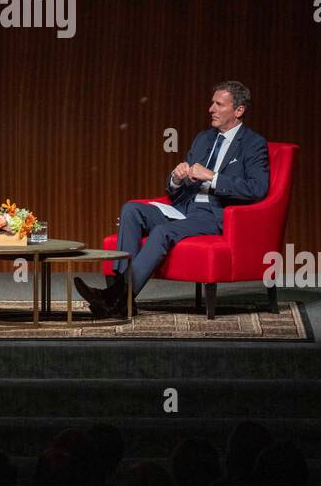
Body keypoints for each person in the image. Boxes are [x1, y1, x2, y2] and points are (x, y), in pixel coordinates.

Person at [75, 81, 269, 318]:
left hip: (215, 215)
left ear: (238, 110)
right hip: (184, 208)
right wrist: (177, 179)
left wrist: (213, 177)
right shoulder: (203, 139)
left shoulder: (253, 144)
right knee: (131, 210)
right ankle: (119, 295)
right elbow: (175, 191)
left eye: (219, 104)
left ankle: (116, 297)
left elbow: (257, 189)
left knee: (162, 232)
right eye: (212, 103)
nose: (211, 109)